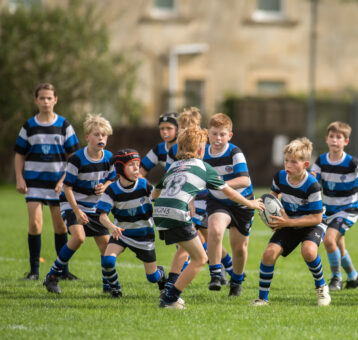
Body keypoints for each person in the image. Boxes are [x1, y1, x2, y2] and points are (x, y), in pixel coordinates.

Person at [155, 127, 263, 309]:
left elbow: (156, 193)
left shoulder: (174, 166)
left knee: (183, 250)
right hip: (178, 214)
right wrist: (251, 204)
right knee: (199, 259)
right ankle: (170, 298)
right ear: (199, 150)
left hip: (160, 213)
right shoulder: (204, 167)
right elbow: (230, 193)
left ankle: (168, 290)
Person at [251, 138, 331, 306]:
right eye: (286, 161)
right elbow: (273, 197)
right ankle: (262, 299)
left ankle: (321, 287)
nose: (288, 165)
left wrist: (288, 222)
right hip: (289, 220)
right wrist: (270, 216)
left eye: (294, 162)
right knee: (269, 253)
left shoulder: (312, 185)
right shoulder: (280, 177)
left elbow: (316, 217)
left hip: (312, 222)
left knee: (309, 251)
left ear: (305, 164)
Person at [43, 114, 116, 294]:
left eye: (104, 135)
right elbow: (67, 188)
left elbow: (113, 179)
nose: (101, 138)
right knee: (79, 238)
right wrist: (76, 211)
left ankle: (108, 286)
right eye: (96, 134)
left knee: (106, 247)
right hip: (72, 203)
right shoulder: (77, 159)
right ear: (87, 137)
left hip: (95, 207)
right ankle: (52, 276)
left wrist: (105, 186)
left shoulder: (109, 157)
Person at [14, 83, 80, 281]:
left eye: (49, 98)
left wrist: (64, 179)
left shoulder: (64, 125)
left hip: (57, 184)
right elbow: (19, 153)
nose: (45, 101)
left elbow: (74, 157)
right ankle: (34, 271)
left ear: (55, 100)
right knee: (34, 224)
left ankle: (63, 271)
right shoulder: (29, 126)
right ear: (36, 100)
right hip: (34, 182)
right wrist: (19, 176)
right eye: (41, 98)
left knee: (60, 227)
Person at [310, 121, 358, 291]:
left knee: (329, 240)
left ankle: (336, 278)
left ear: (346, 142)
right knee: (338, 246)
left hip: (348, 209)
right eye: (332, 136)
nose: (334, 140)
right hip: (328, 210)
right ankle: (353, 276)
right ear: (326, 139)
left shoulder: (351, 162)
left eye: (339, 137)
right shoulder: (321, 161)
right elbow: (312, 182)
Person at [96, 149, 167, 298]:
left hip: (144, 235)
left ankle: (162, 275)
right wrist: (112, 227)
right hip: (121, 233)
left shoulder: (143, 184)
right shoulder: (112, 190)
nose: (137, 169)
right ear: (121, 168)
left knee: (152, 277)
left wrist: (162, 188)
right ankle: (115, 289)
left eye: (138, 164)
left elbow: (155, 197)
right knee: (108, 260)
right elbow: (102, 215)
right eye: (131, 165)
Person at [203, 113, 254, 296]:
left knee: (239, 248)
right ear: (207, 134)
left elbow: (244, 181)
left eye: (222, 134)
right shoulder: (201, 153)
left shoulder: (234, 152)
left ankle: (237, 282)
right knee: (215, 230)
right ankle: (216, 274)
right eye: (214, 134)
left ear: (229, 136)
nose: (218, 138)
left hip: (242, 202)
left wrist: (220, 183)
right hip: (218, 202)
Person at [139, 112, 178, 178]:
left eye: (169, 128)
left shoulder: (185, 147)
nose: (165, 132)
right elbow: (141, 171)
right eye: (162, 128)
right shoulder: (159, 149)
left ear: (178, 129)